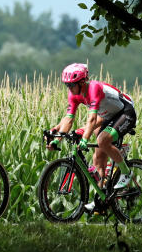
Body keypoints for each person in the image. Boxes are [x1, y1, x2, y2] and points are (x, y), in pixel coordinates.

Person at [50, 63, 136, 194]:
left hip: (125, 112)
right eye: (67, 85)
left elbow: (92, 119)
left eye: (72, 85)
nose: (70, 88)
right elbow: (68, 119)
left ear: (82, 82)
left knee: (102, 140)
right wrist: (57, 140)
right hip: (107, 116)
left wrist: (84, 139)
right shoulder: (73, 94)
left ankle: (126, 173)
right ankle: (101, 197)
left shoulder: (94, 88)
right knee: (98, 158)